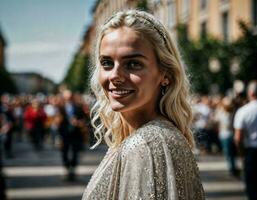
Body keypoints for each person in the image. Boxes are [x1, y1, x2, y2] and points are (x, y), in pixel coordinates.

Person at [82, 10, 204, 199]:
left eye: (132, 64)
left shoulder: (147, 143)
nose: (115, 75)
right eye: (106, 63)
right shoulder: (154, 137)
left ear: (165, 74)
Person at [233, 80, 257, 200]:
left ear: (251, 93)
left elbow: (238, 137)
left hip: (251, 152)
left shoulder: (244, 111)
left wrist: (241, 154)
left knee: (252, 186)